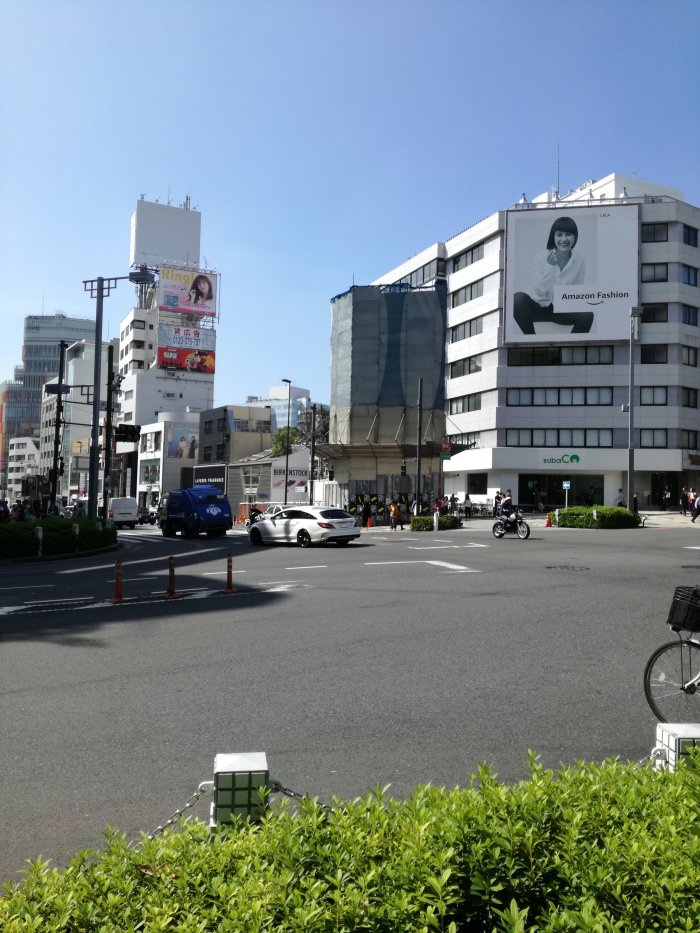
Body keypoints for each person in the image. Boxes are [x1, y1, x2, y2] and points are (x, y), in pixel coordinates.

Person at [513, 216, 593, 335]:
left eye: (568, 234)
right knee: (518, 298)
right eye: (559, 235)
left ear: (575, 237)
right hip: (539, 305)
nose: (564, 239)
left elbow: (576, 292)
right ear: (553, 237)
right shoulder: (540, 256)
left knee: (587, 315)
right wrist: (550, 267)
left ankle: (571, 347)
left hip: (562, 309)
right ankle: (531, 338)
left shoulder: (580, 261)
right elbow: (540, 291)